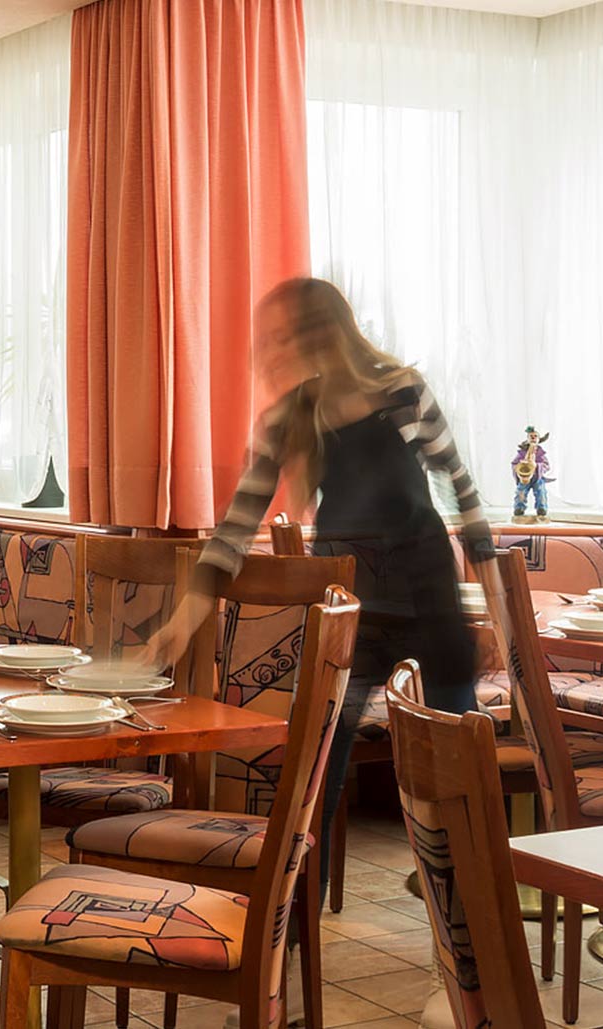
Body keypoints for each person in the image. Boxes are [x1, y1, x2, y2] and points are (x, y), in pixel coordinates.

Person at [151, 278, 501, 1026]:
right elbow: (238, 522)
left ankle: (472, 969)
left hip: (431, 594)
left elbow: (461, 487)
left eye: (281, 337)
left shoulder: (403, 389)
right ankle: (279, 958)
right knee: (315, 780)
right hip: (353, 605)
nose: (270, 353)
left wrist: (497, 593)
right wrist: (185, 617)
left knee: (453, 788)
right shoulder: (288, 417)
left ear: (321, 333)